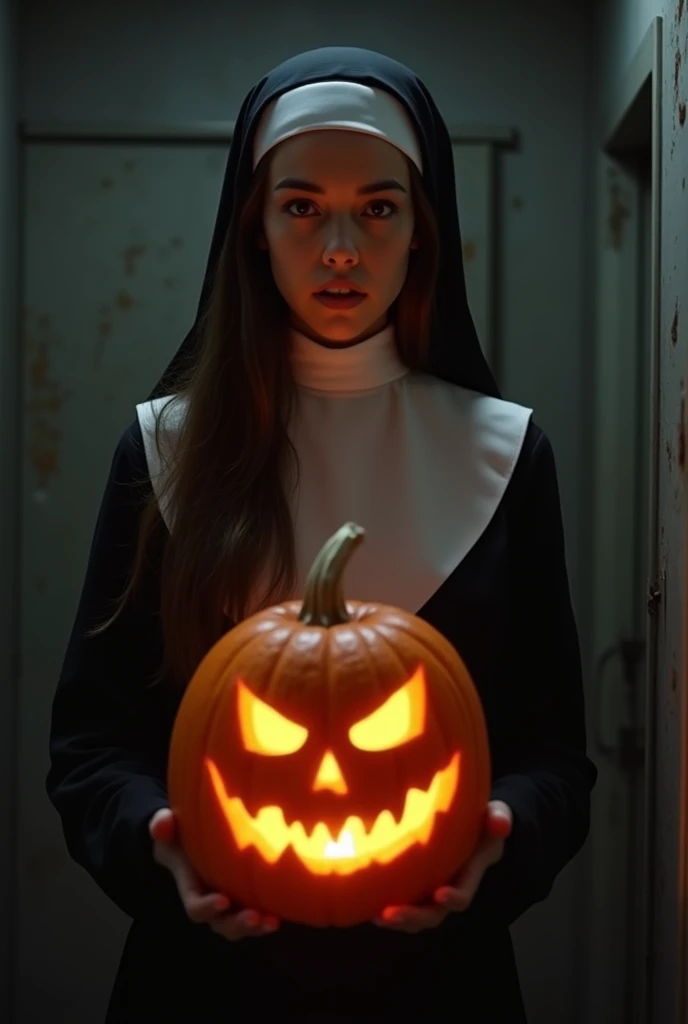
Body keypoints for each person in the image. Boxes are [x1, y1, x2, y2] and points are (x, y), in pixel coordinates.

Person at [46, 46, 597, 1023]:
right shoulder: (160, 447)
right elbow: (91, 747)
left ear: (422, 230)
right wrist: (160, 843)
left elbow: (554, 752)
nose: (340, 246)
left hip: (441, 987)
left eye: (378, 207)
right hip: (200, 985)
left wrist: (502, 831)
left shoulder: (509, 454)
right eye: (300, 205)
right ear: (252, 229)